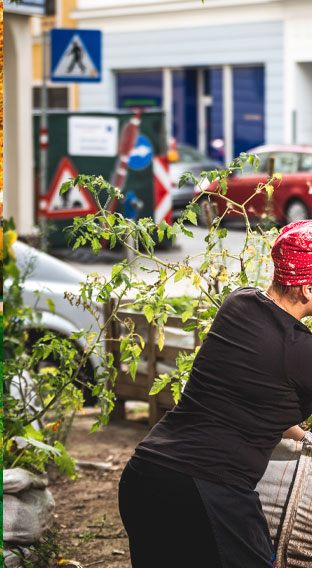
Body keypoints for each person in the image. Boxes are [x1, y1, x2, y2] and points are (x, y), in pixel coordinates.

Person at [119, 221, 312, 568]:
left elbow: (249, 400)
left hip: (145, 475)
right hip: (206, 494)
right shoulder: (301, 352)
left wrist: (304, 438)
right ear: (307, 290)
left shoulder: (239, 303)